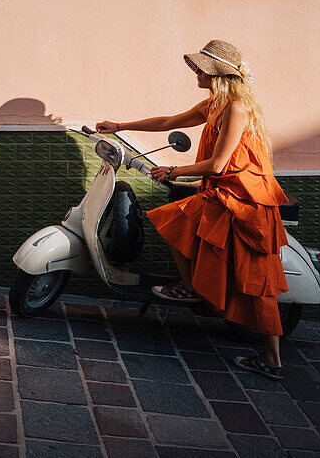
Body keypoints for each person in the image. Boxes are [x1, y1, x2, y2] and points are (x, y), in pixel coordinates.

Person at [96, 40, 289, 380]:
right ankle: (193, 288)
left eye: (201, 69)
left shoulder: (235, 109)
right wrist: (121, 126)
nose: (196, 73)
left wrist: (173, 171)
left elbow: (217, 164)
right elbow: (170, 121)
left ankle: (273, 361)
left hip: (245, 202)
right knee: (173, 221)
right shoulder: (215, 104)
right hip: (224, 196)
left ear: (218, 74)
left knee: (257, 283)